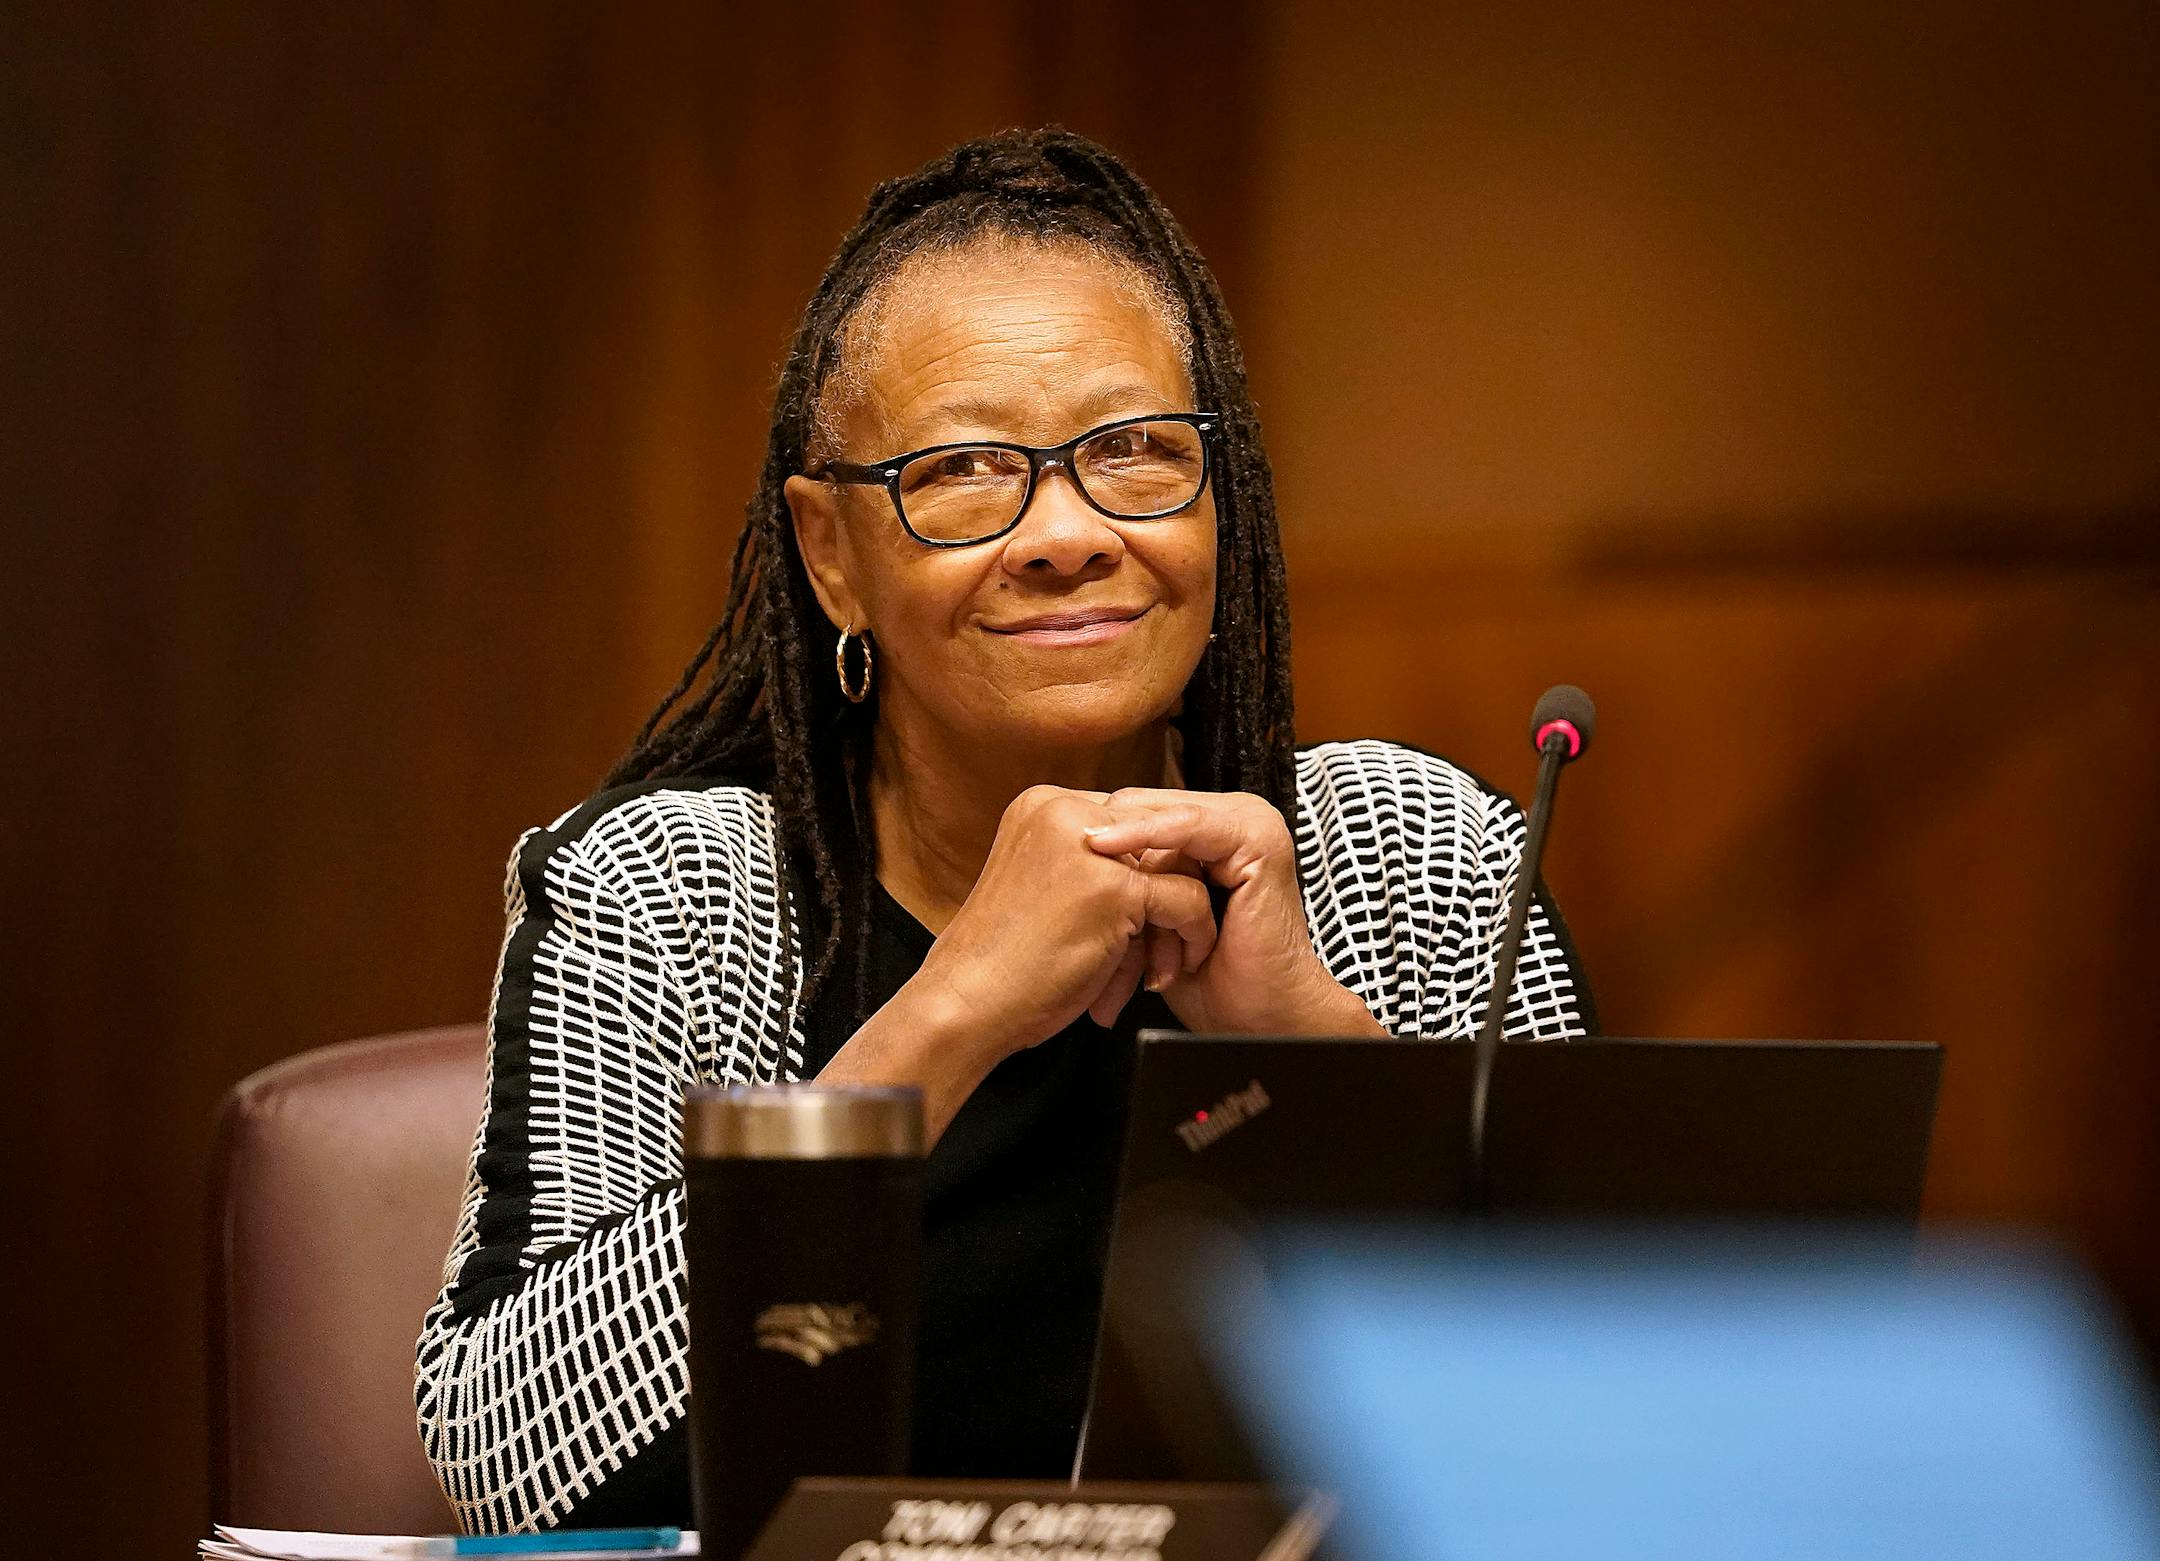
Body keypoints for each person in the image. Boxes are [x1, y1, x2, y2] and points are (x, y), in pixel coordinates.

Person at [414, 128, 1595, 1535]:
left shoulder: (1416, 854)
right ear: (831, 553)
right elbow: (507, 1458)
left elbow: (1613, 1410)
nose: (1066, 532)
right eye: (968, 467)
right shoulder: (673, 890)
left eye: (1135, 452)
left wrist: (1310, 1053)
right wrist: (950, 1015)